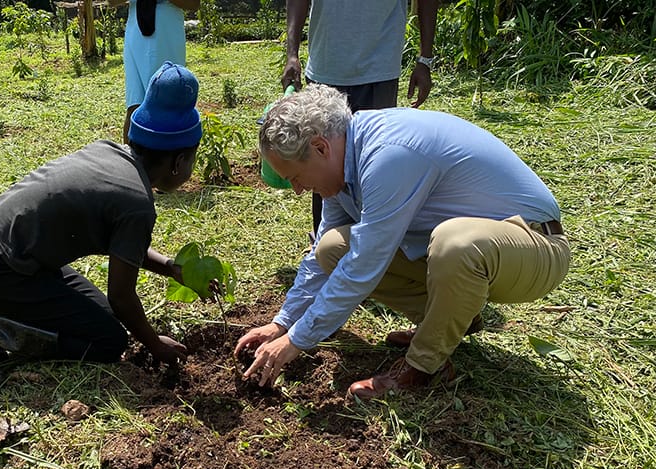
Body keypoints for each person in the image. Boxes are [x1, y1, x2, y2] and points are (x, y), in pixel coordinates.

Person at [234, 84, 571, 399]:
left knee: (455, 244)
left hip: (534, 246)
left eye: (295, 177)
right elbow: (326, 255)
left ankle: (424, 367)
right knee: (332, 248)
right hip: (485, 250)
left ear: (320, 147)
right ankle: (446, 323)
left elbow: (365, 264)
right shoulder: (343, 162)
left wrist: (297, 340)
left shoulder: (388, 155)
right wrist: (282, 324)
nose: (297, 189)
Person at [0, 62, 203, 387]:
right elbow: (122, 296)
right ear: (180, 161)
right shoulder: (137, 203)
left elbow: (123, 246)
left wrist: (171, 268)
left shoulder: (110, 153)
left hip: (0, 248)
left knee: (106, 321)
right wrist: (154, 344)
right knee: (109, 342)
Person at [281, 0, 438, 243]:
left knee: (375, 164)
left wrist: (425, 59)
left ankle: (372, 246)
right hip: (325, 68)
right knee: (320, 161)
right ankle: (325, 247)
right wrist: (292, 53)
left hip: (380, 70)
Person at [123, 0, 200, 144]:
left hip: (166, 31)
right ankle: (130, 164)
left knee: (168, 103)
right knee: (134, 107)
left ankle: (171, 163)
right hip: (136, 28)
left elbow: (193, 3)